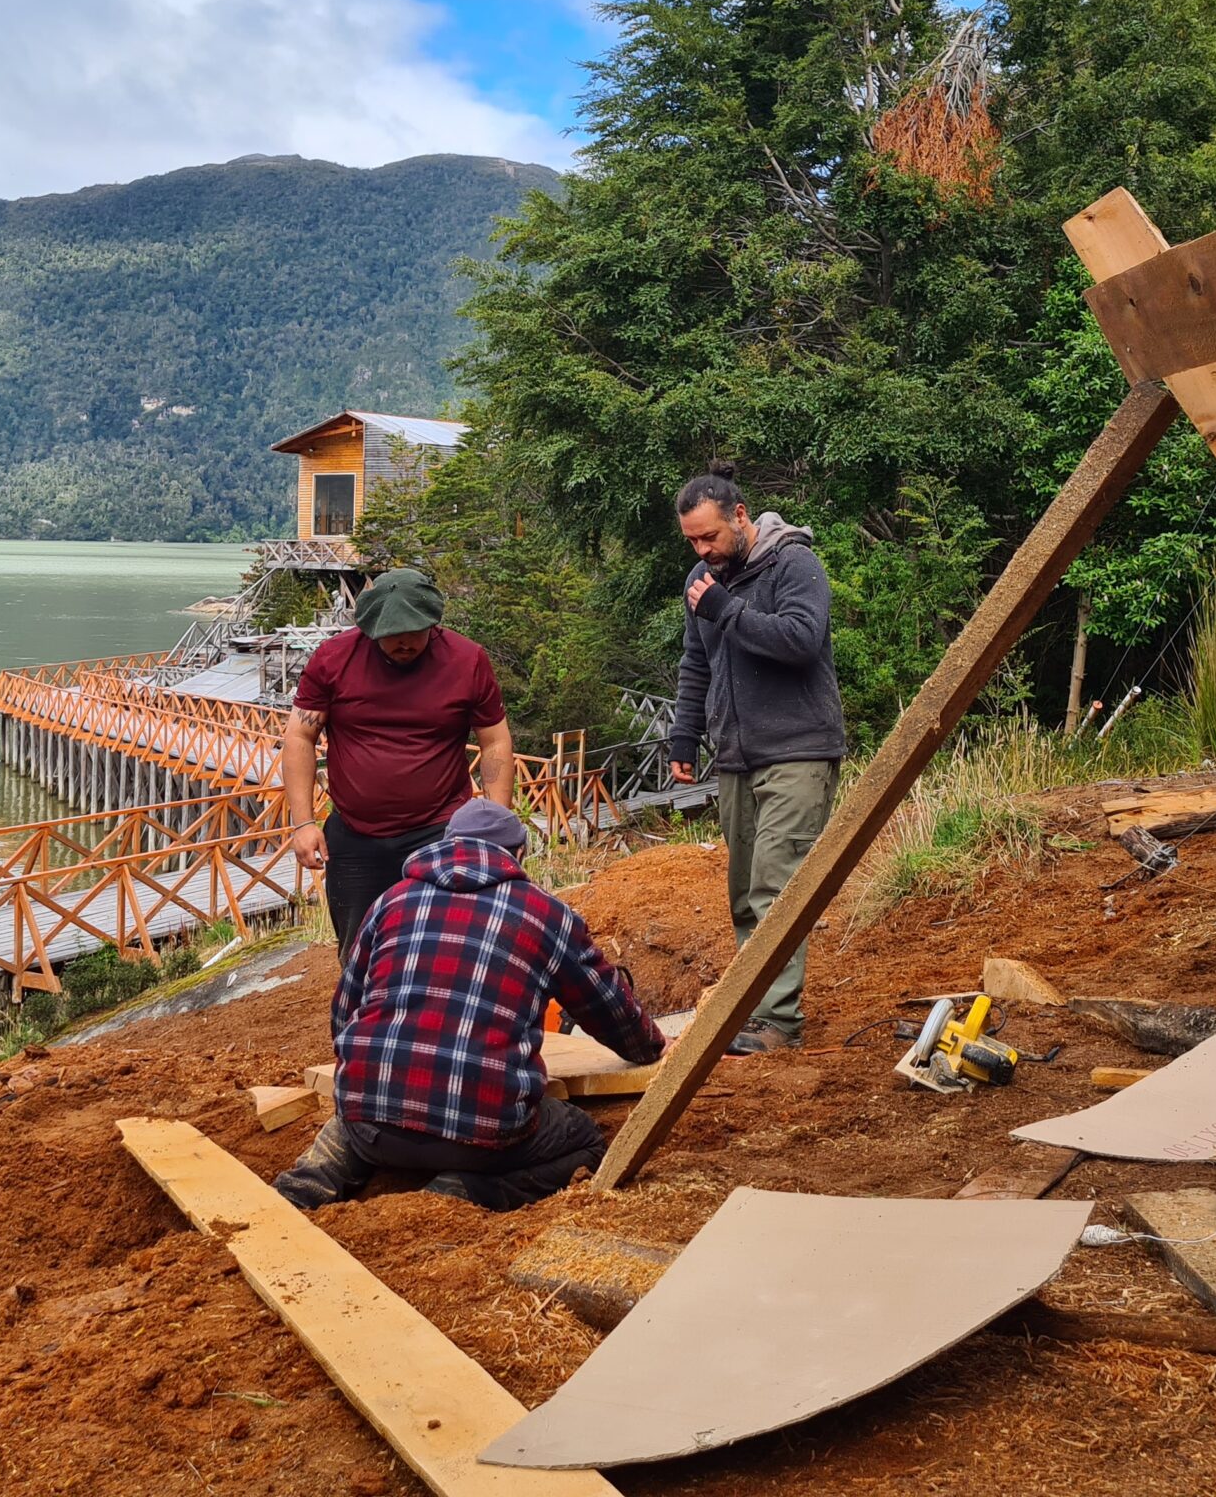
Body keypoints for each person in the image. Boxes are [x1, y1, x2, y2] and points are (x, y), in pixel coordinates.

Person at [274, 798, 664, 1211]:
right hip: (482, 1136)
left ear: (448, 844)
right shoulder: (547, 914)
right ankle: (464, 1192)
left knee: (360, 1121)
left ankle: (310, 1183)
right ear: (518, 854)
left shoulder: (391, 900)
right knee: (584, 1140)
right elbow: (607, 1007)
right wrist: (652, 1048)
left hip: (368, 1123)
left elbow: (344, 1013)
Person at [665, 460, 844, 1053]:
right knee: (744, 894)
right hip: (735, 755)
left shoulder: (794, 563)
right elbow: (697, 663)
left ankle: (778, 1023)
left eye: (710, 536)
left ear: (740, 517)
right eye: (692, 539)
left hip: (799, 749)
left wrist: (726, 610)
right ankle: (754, 1010)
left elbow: (799, 641)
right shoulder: (701, 579)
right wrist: (684, 737)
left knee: (775, 889)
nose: (702, 549)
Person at [283, 568, 515, 955]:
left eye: (414, 632)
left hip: (441, 830)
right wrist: (303, 822)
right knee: (360, 951)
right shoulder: (334, 659)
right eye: (391, 634)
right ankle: (361, 1015)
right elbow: (299, 735)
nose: (403, 642)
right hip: (356, 836)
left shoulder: (467, 660)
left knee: (449, 943)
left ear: (432, 622)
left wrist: (496, 822)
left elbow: (494, 740)